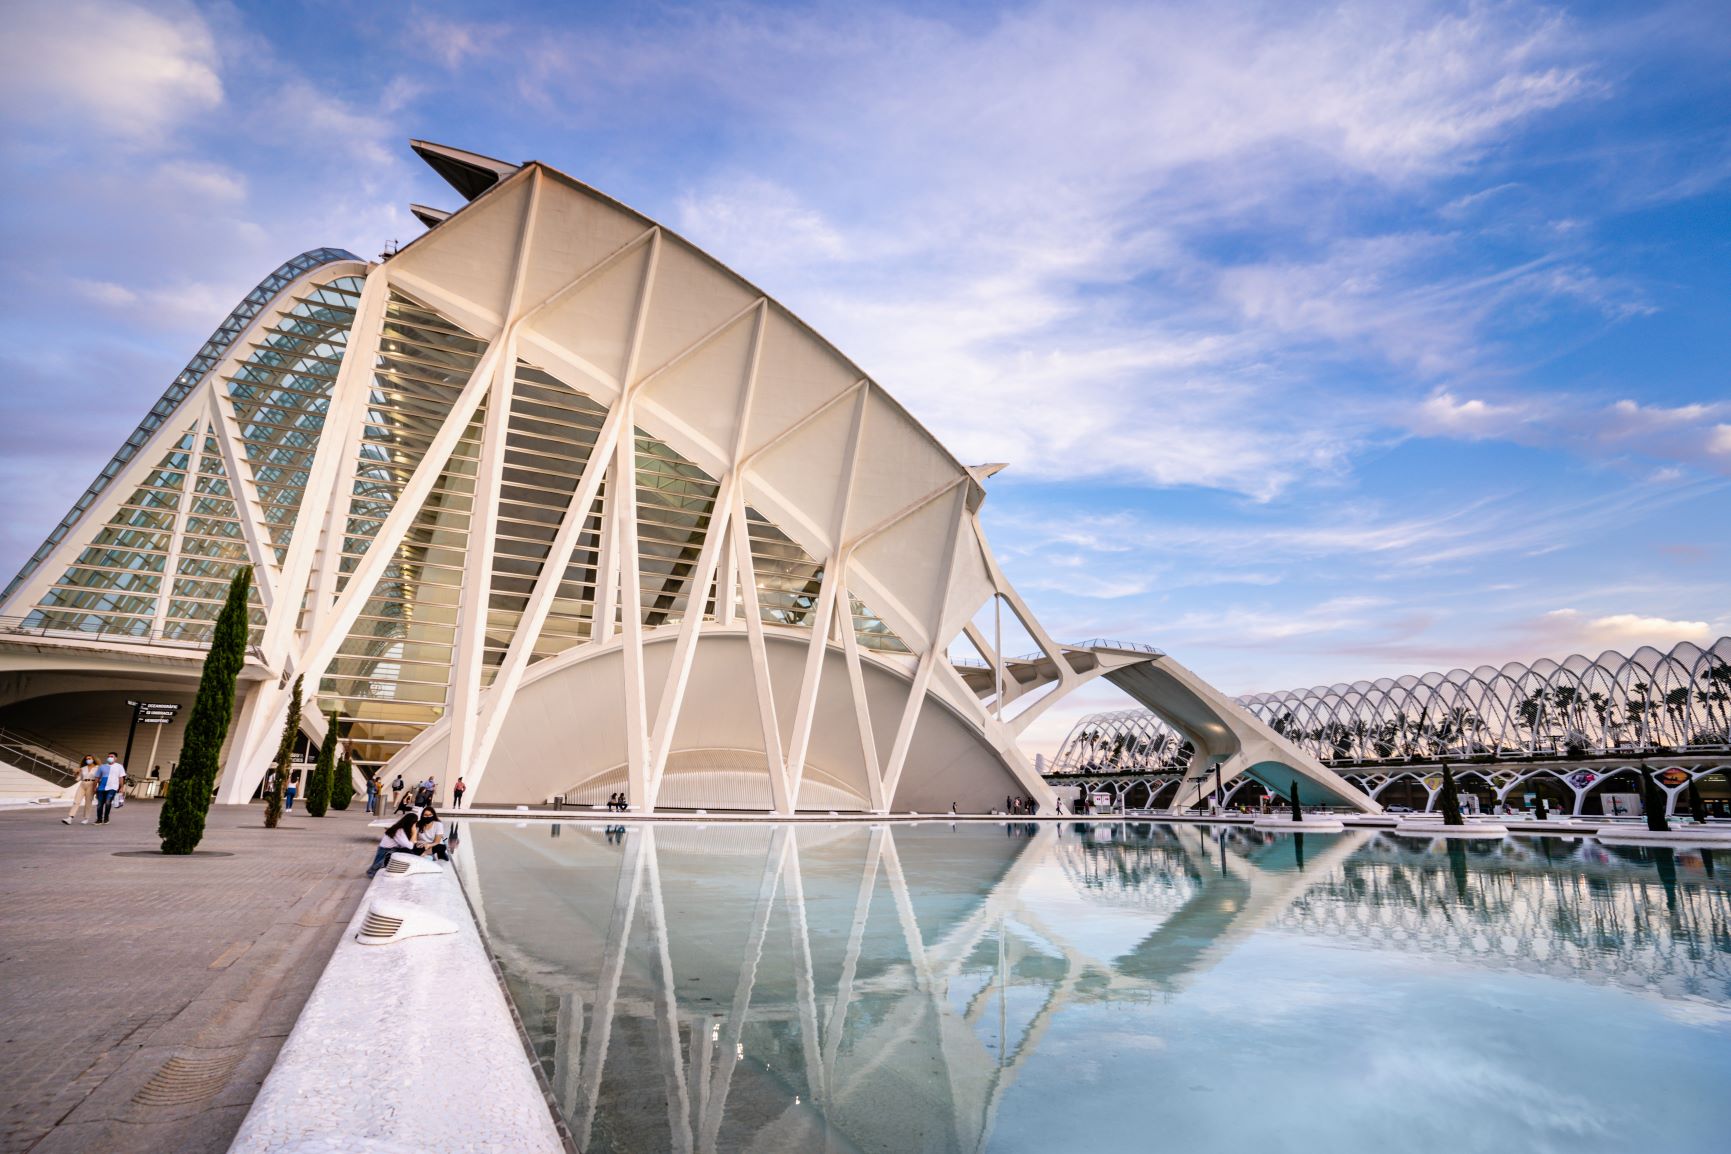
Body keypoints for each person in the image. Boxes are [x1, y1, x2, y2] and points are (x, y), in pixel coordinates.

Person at [63, 756, 100, 825]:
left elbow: (99, 778)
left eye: (89, 759)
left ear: (93, 759)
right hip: (82, 784)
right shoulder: (83, 768)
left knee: (88, 802)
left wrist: (97, 787)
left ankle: (86, 818)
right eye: (86, 759)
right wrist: (76, 773)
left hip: (92, 784)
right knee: (76, 801)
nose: (88, 760)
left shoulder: (98, 768)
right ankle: (70, 818)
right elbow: (78, 778)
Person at [94, 753, 126, 824]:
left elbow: (121, 778)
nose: (110, 758)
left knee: (108, 802)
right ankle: (99, 819)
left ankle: (106, 818)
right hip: (101, 787)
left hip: (113, 787)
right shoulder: (102, 767)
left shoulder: (119, 766)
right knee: (100, 804)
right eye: (108, 756)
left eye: (112, 756)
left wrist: (122, 787)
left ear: (115, 758)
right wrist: (95, 787)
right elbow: (97, 777)